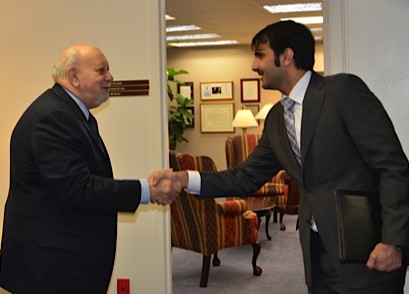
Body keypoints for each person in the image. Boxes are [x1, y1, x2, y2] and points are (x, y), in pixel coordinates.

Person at [163, 21, 409, 293]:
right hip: (317, 256)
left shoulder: (342, 92)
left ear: (286, 56)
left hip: (368, 253)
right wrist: (185, 179)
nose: (254, 66)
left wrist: (394, 241)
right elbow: (244, 178)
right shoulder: (277, 120)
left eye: (259, 54)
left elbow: (393, 167)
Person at [0, 44, 181, 293]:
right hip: (51, 270)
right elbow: (78, 188)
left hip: (62, 265)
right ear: (74, 76)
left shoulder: (71, 113)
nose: (110, 77)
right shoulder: (54, 117)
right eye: (101, 70)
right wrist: (146, 189)